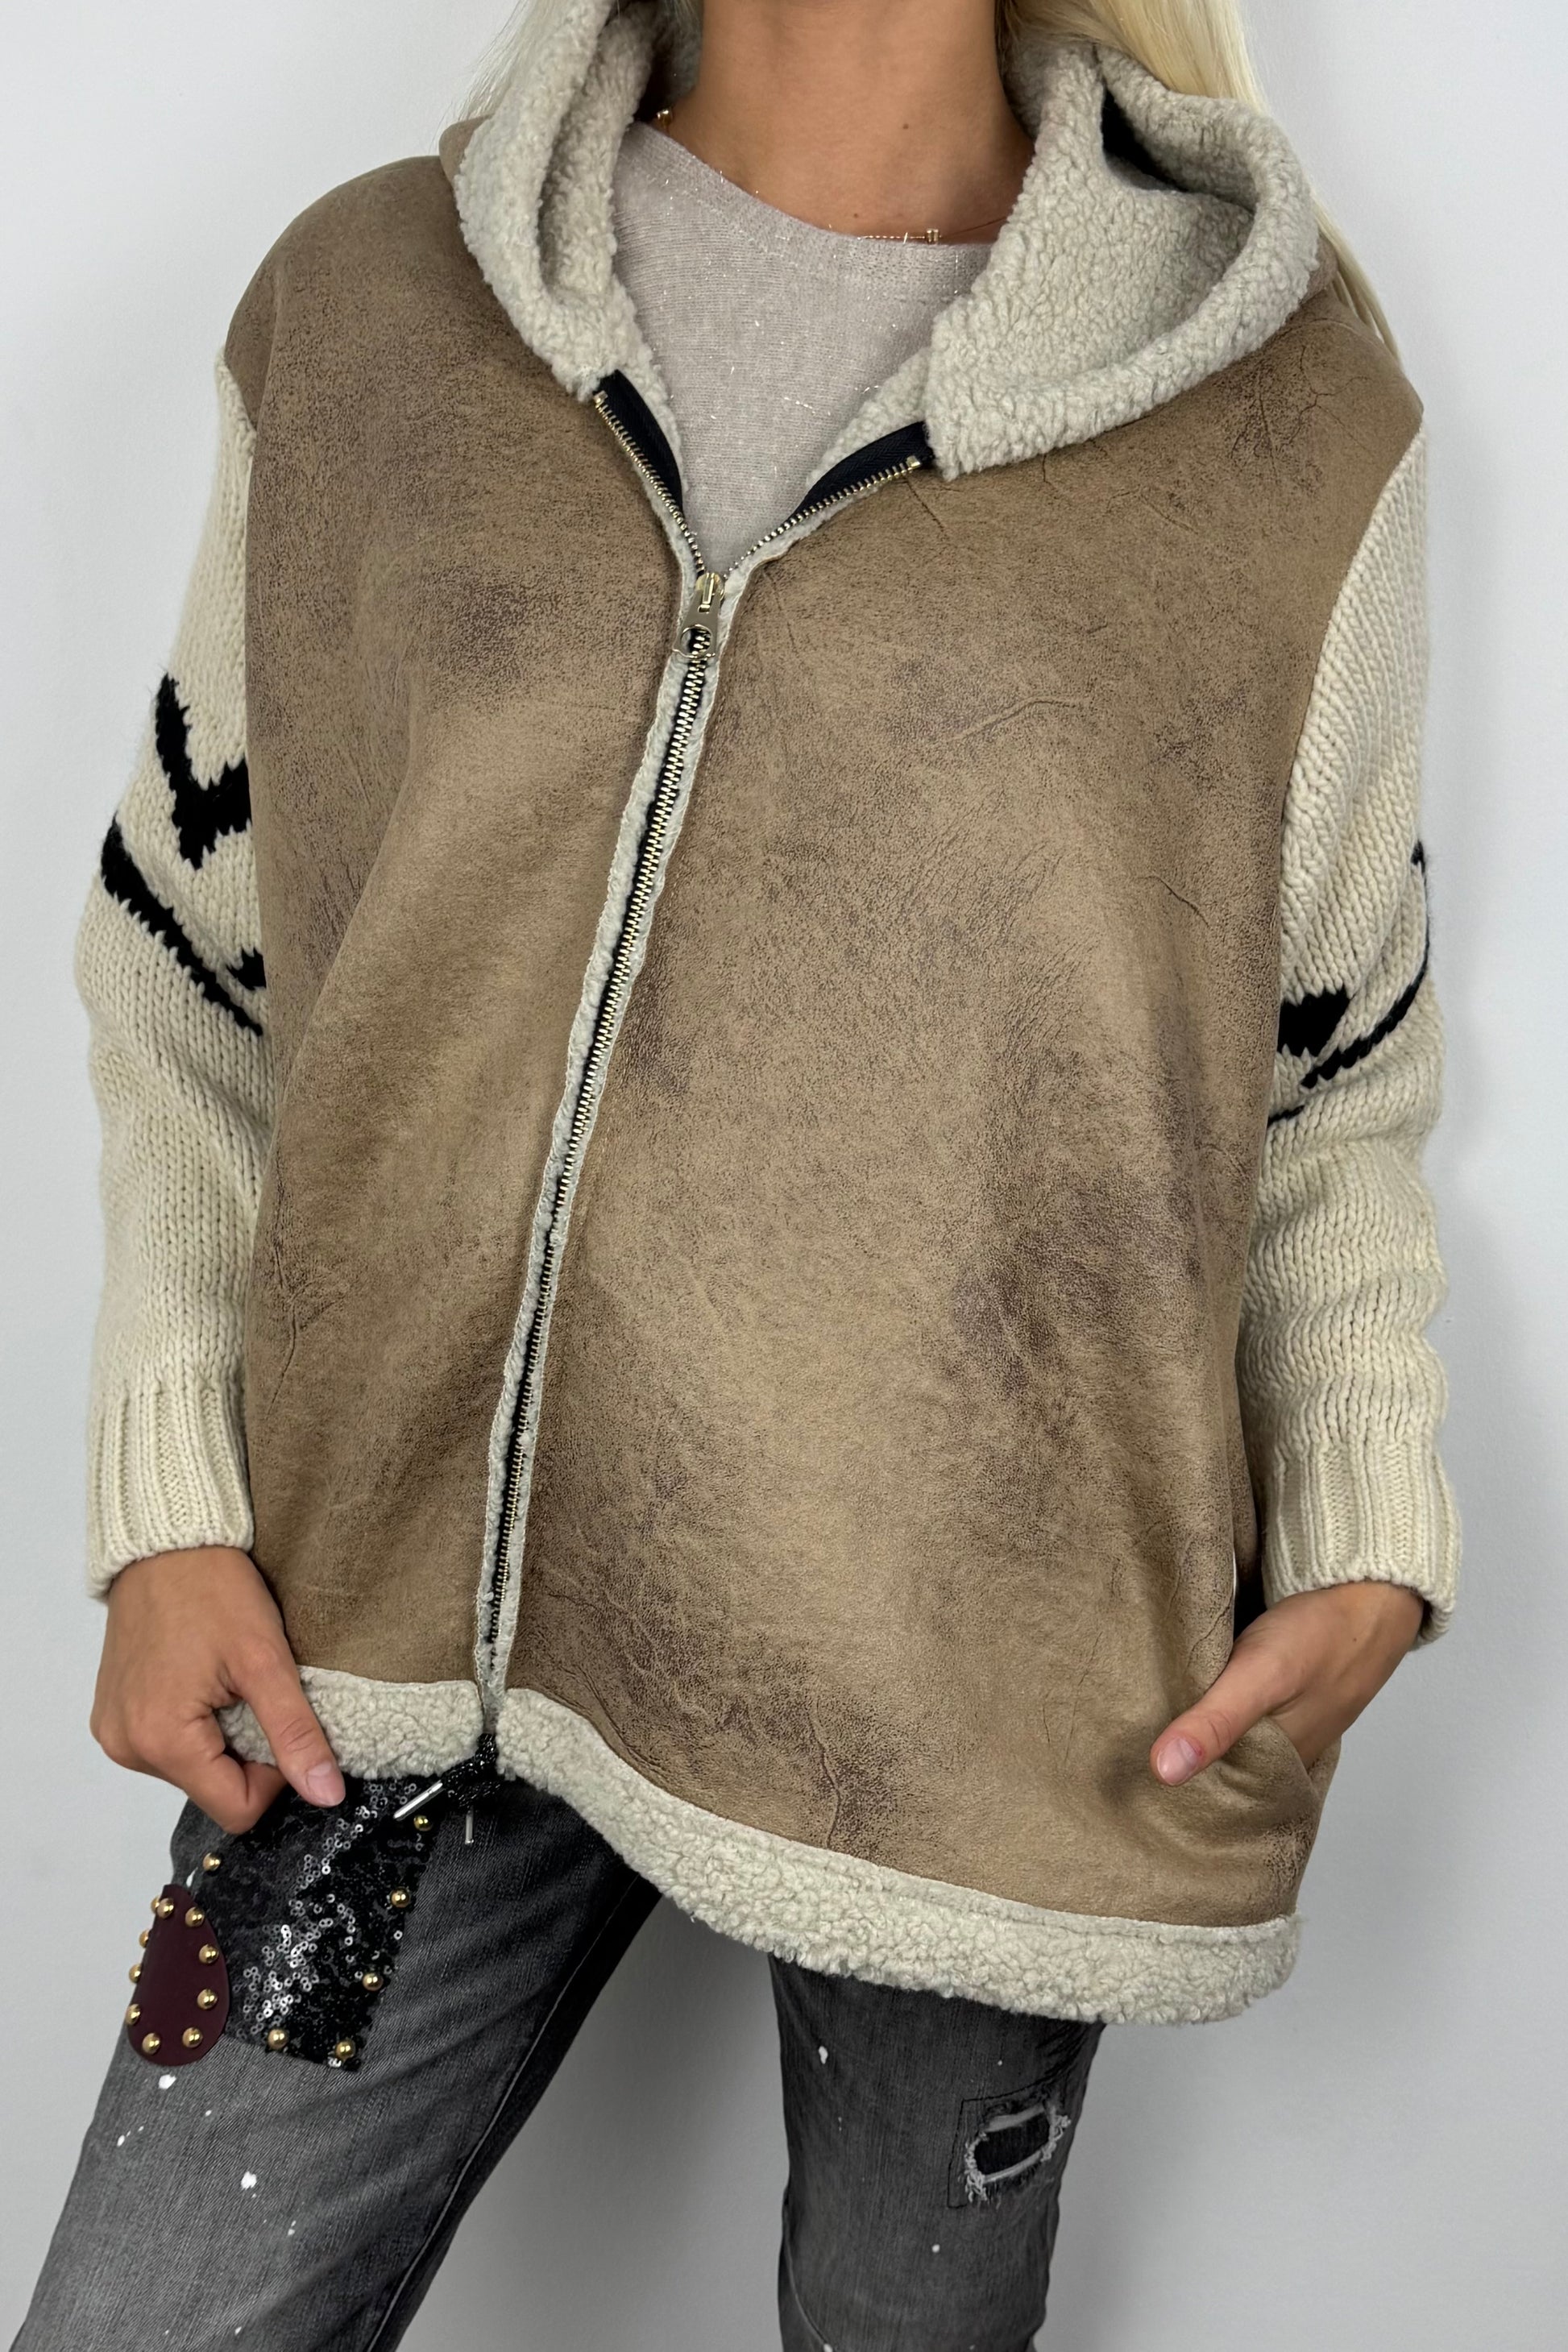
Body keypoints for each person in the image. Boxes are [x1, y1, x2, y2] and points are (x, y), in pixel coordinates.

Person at [16, 0, 1460, 2343]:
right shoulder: (376, 304)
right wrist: (169, 1499)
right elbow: (196, 959)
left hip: (991, 1709)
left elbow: (1317, 1084)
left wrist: (1371, 1529)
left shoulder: (1280, 422)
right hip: (378, 1652)